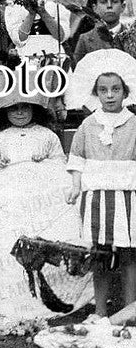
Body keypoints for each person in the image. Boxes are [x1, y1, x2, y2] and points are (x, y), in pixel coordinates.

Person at [65, 51, 136, 321]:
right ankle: (100, 311)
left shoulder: (133, 123)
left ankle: (130, 311)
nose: (110, 95)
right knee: (101, 254)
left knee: (129, 253)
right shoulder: (87, 124)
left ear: (125, 91)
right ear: (95, 93)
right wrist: (75, 186)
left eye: (115, 89)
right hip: (95, 197)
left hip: (128, 196)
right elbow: (77, 159)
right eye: (103, 90)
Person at [0, 83, 63, 175]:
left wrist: (45, 163)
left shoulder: (47, 135)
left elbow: (60, 162)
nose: (20, 112)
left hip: (40, 184)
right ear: (5, 112)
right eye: (13, 108)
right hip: (8, 184)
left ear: (34, 109)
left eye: (25, 107)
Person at [73, 0, 130, 66]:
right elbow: (78, 71)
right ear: (94, 8)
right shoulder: (85, 39)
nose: (109, 6)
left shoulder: (132, 37)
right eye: (103, 2)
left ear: (123, 7)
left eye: (114, 2)